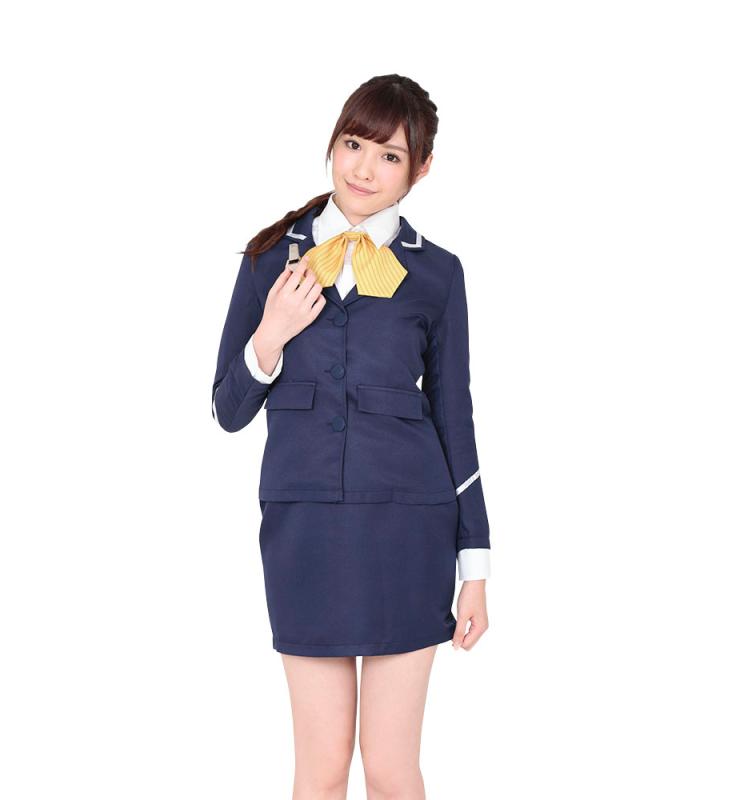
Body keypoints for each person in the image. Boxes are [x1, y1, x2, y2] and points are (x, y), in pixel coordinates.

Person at [211, 73, 491, 798]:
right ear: (334, 144)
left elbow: (455, 417)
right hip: (303, 530)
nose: (364, 168)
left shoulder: (438, 274)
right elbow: (228, 409)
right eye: (354, 144)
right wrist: (272, 334)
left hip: (409, 532)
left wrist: (475, 566)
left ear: (421, 168)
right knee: (322, 767)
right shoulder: (268, 259)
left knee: (392, 769)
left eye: (390, 156)